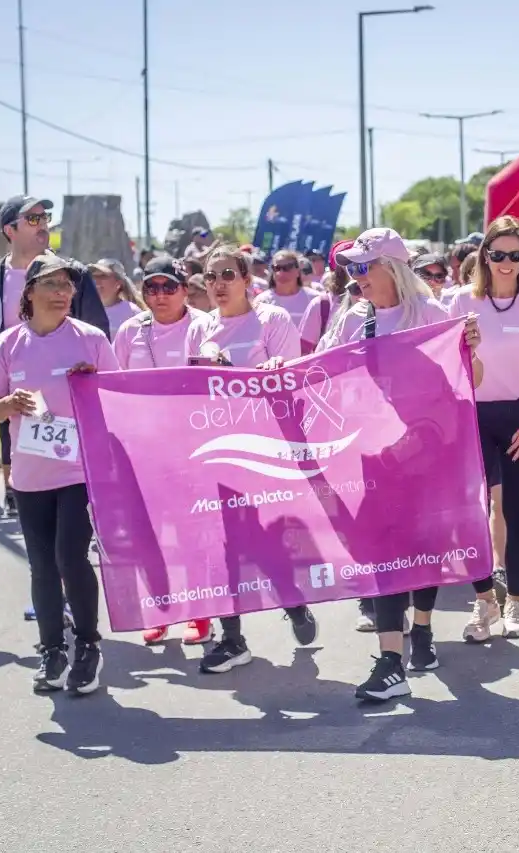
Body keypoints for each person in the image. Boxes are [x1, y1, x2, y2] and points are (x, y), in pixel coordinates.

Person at [320, 229, 483, 700]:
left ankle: (423, 629)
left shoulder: (430, 313)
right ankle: (391, 661)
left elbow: (472, 379)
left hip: (429, 451)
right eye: (351, 268)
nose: (356, 276)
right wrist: (278, 374)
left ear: (391, 268)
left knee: (426, 546)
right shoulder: (355, 318)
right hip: (375, 453)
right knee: (385, 549)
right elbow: (321, 368)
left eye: (363, 266)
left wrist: (471, 350)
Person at [0, 255, 118, 694]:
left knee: (70, 557)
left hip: (79, 470)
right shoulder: (8, 344)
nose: (62, 293)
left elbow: (118, 399)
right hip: (29, 474)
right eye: (52, 284)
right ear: (30, 292)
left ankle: (88, 646)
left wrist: (93, 382)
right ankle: (52, 650)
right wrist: (8, 405)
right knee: (41, 566)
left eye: (67, 285)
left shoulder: (91, 339)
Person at [191, 244, 316, 674]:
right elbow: (190, 390)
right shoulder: (199, 328)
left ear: (247, 279)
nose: (218, 284)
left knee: (259, 539)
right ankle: (232, 638)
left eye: (228, 274)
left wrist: (278, 369)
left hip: (265, 451)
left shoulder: (273, 320)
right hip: (217, 451)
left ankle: (292, 600)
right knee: (223, 543)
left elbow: (295, 381)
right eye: (210, 276)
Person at [447, 217, 519, 641]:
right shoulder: (461, 301)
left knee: (517, 512)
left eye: (516, 255)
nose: (506, 262)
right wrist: (471, 351)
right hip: (473, 418)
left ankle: (516, 601)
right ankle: (484, 601)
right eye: (497, 254)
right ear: (484, 256)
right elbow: (455, 369)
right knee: (473, 513)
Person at [0, 195, 109, 521]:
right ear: (10, 230)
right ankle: (20, 500)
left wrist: (86, 376)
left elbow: (97, 335)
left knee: (70, 503)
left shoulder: (74, 273)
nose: (43, 224)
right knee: (32, 496)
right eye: (32, 218)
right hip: (15, 398)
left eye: (45, 217)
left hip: (68, 405)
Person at [112, 256, 215, 646]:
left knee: (191, 534)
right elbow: (113, 385)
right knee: (149, 536)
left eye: (168, 286)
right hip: (143, 450)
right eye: (151, 288)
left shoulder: (204, 325)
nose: (159, 295)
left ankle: (200, 612)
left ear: (185, 290)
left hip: (194, 449)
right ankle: (160, 610)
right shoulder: (130, 331)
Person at [253, 248, 320, 327]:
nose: (281, 273)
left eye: (287, 268)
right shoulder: (262, 301)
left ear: (298, 271)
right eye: (277, 268)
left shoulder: (314, 299)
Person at [90, 259, 144, 339]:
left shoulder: (132, 313)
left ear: (118, 283)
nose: (96, 280)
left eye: (103, 276)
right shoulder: (86, 310)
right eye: (94, 276)